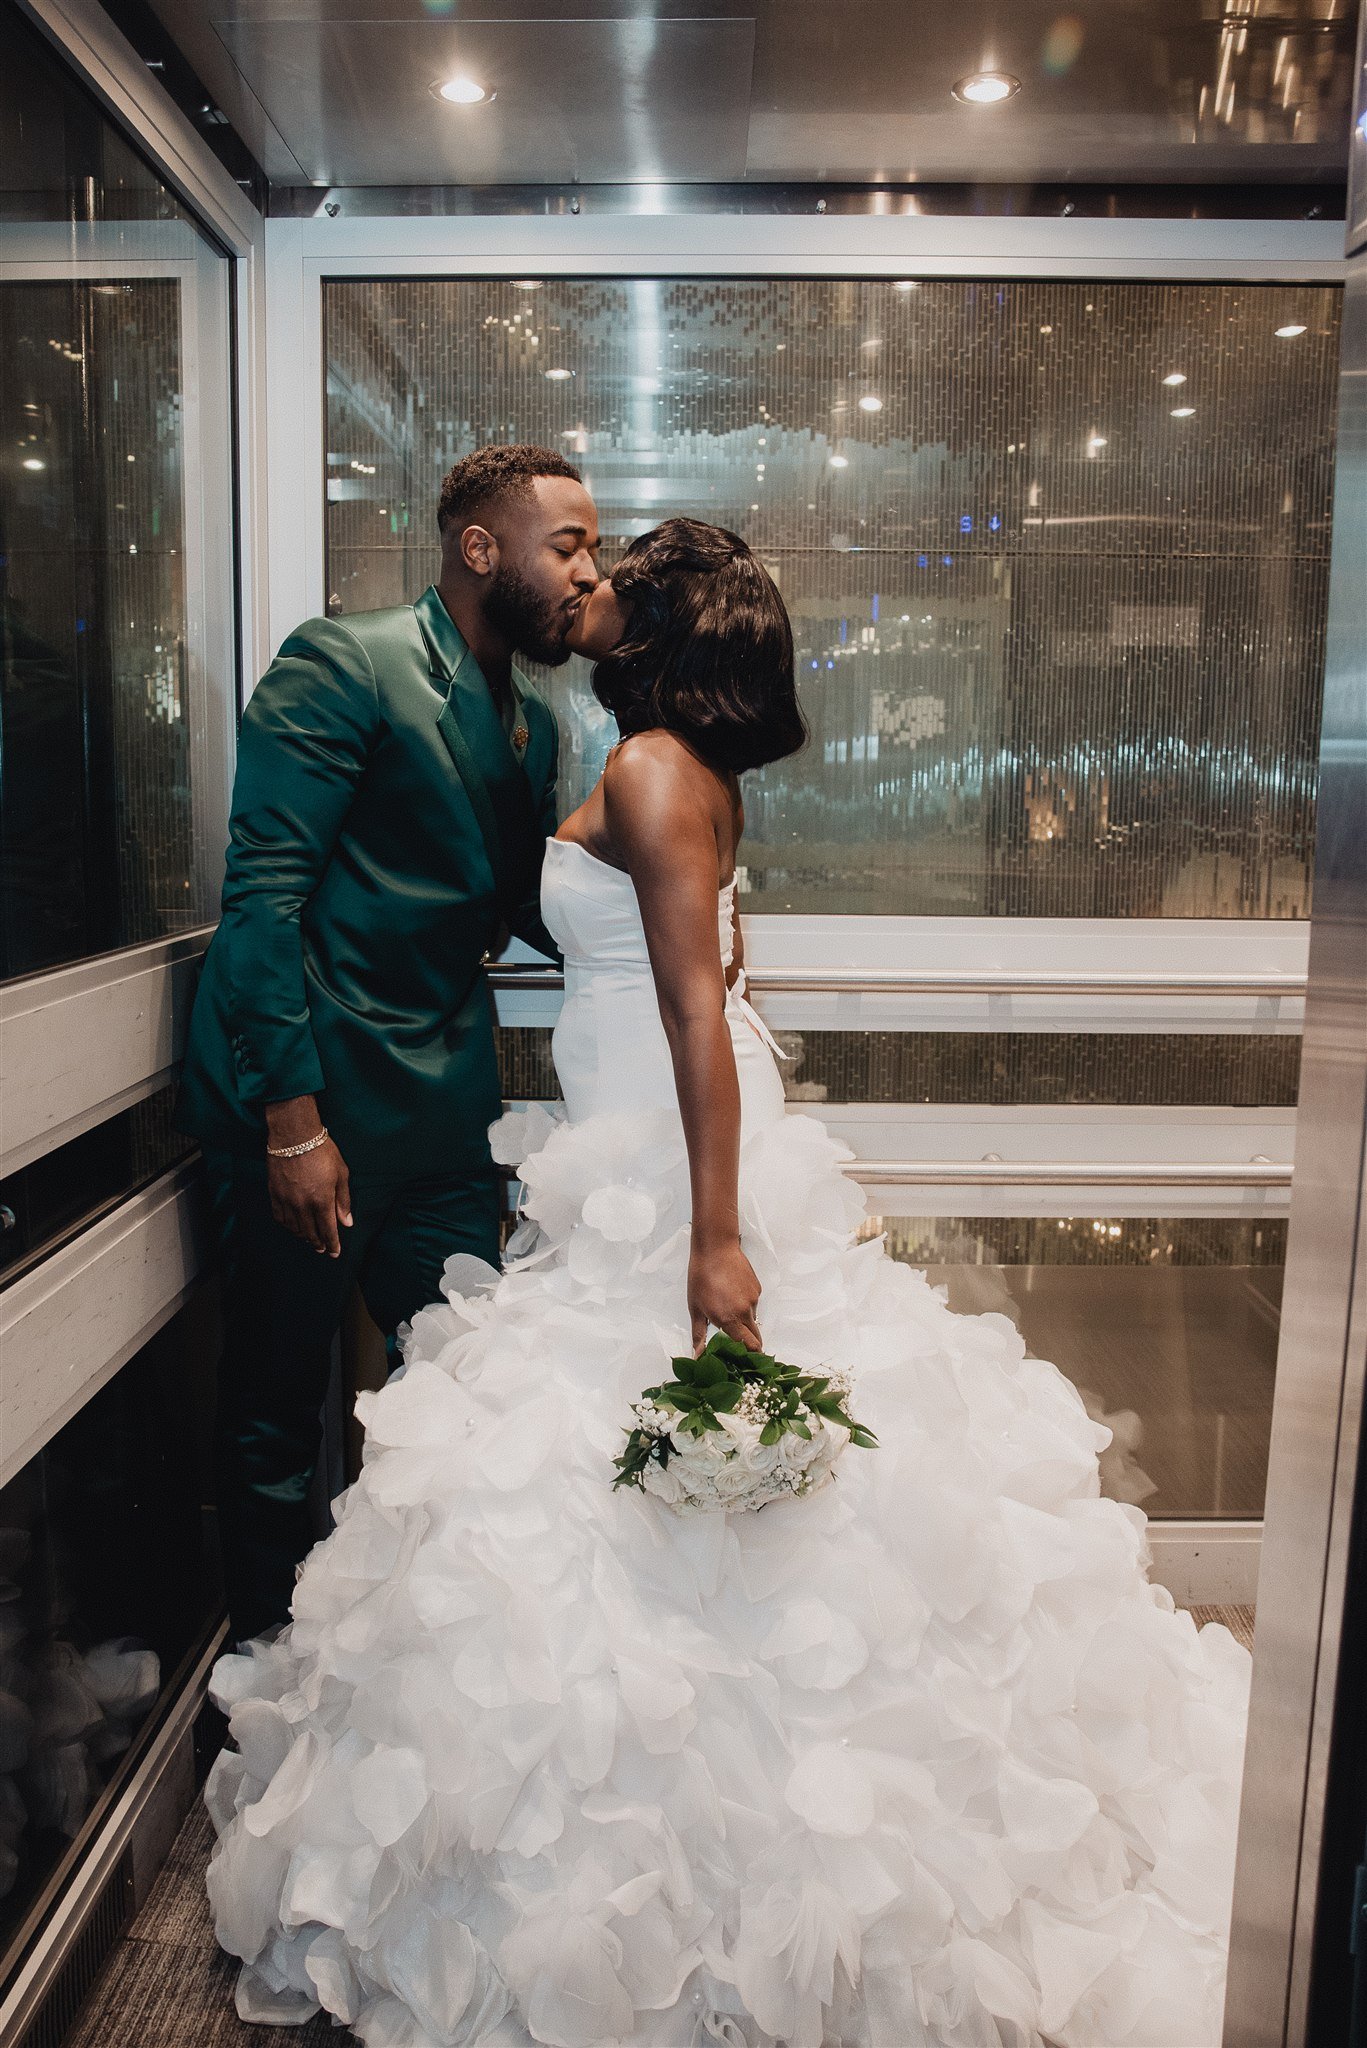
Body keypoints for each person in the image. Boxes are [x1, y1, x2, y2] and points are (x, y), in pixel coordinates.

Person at [205, 520, 1250, 2048]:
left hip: (664, 1158)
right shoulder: (666, 763)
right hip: (634, 1147)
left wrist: (714, 1230)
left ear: (656, 619)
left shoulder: (645, 773)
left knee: (687, 1467)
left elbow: (700, 1011)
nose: (584, 580)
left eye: (607, 568)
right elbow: (724, 987)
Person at [177, 445, 600, 1647]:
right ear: (481, 548)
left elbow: (515, 900)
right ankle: (262, 1679)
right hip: (308, 1100)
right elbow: (260, 899)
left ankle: (421, 1668)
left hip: (439, 1106)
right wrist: (290, 1121)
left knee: (459, 1385)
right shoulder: (343, 661)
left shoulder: (528, 716)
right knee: (275, 1404)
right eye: (565, 543)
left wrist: (659, 932)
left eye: (591, 547)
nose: (586, 570)